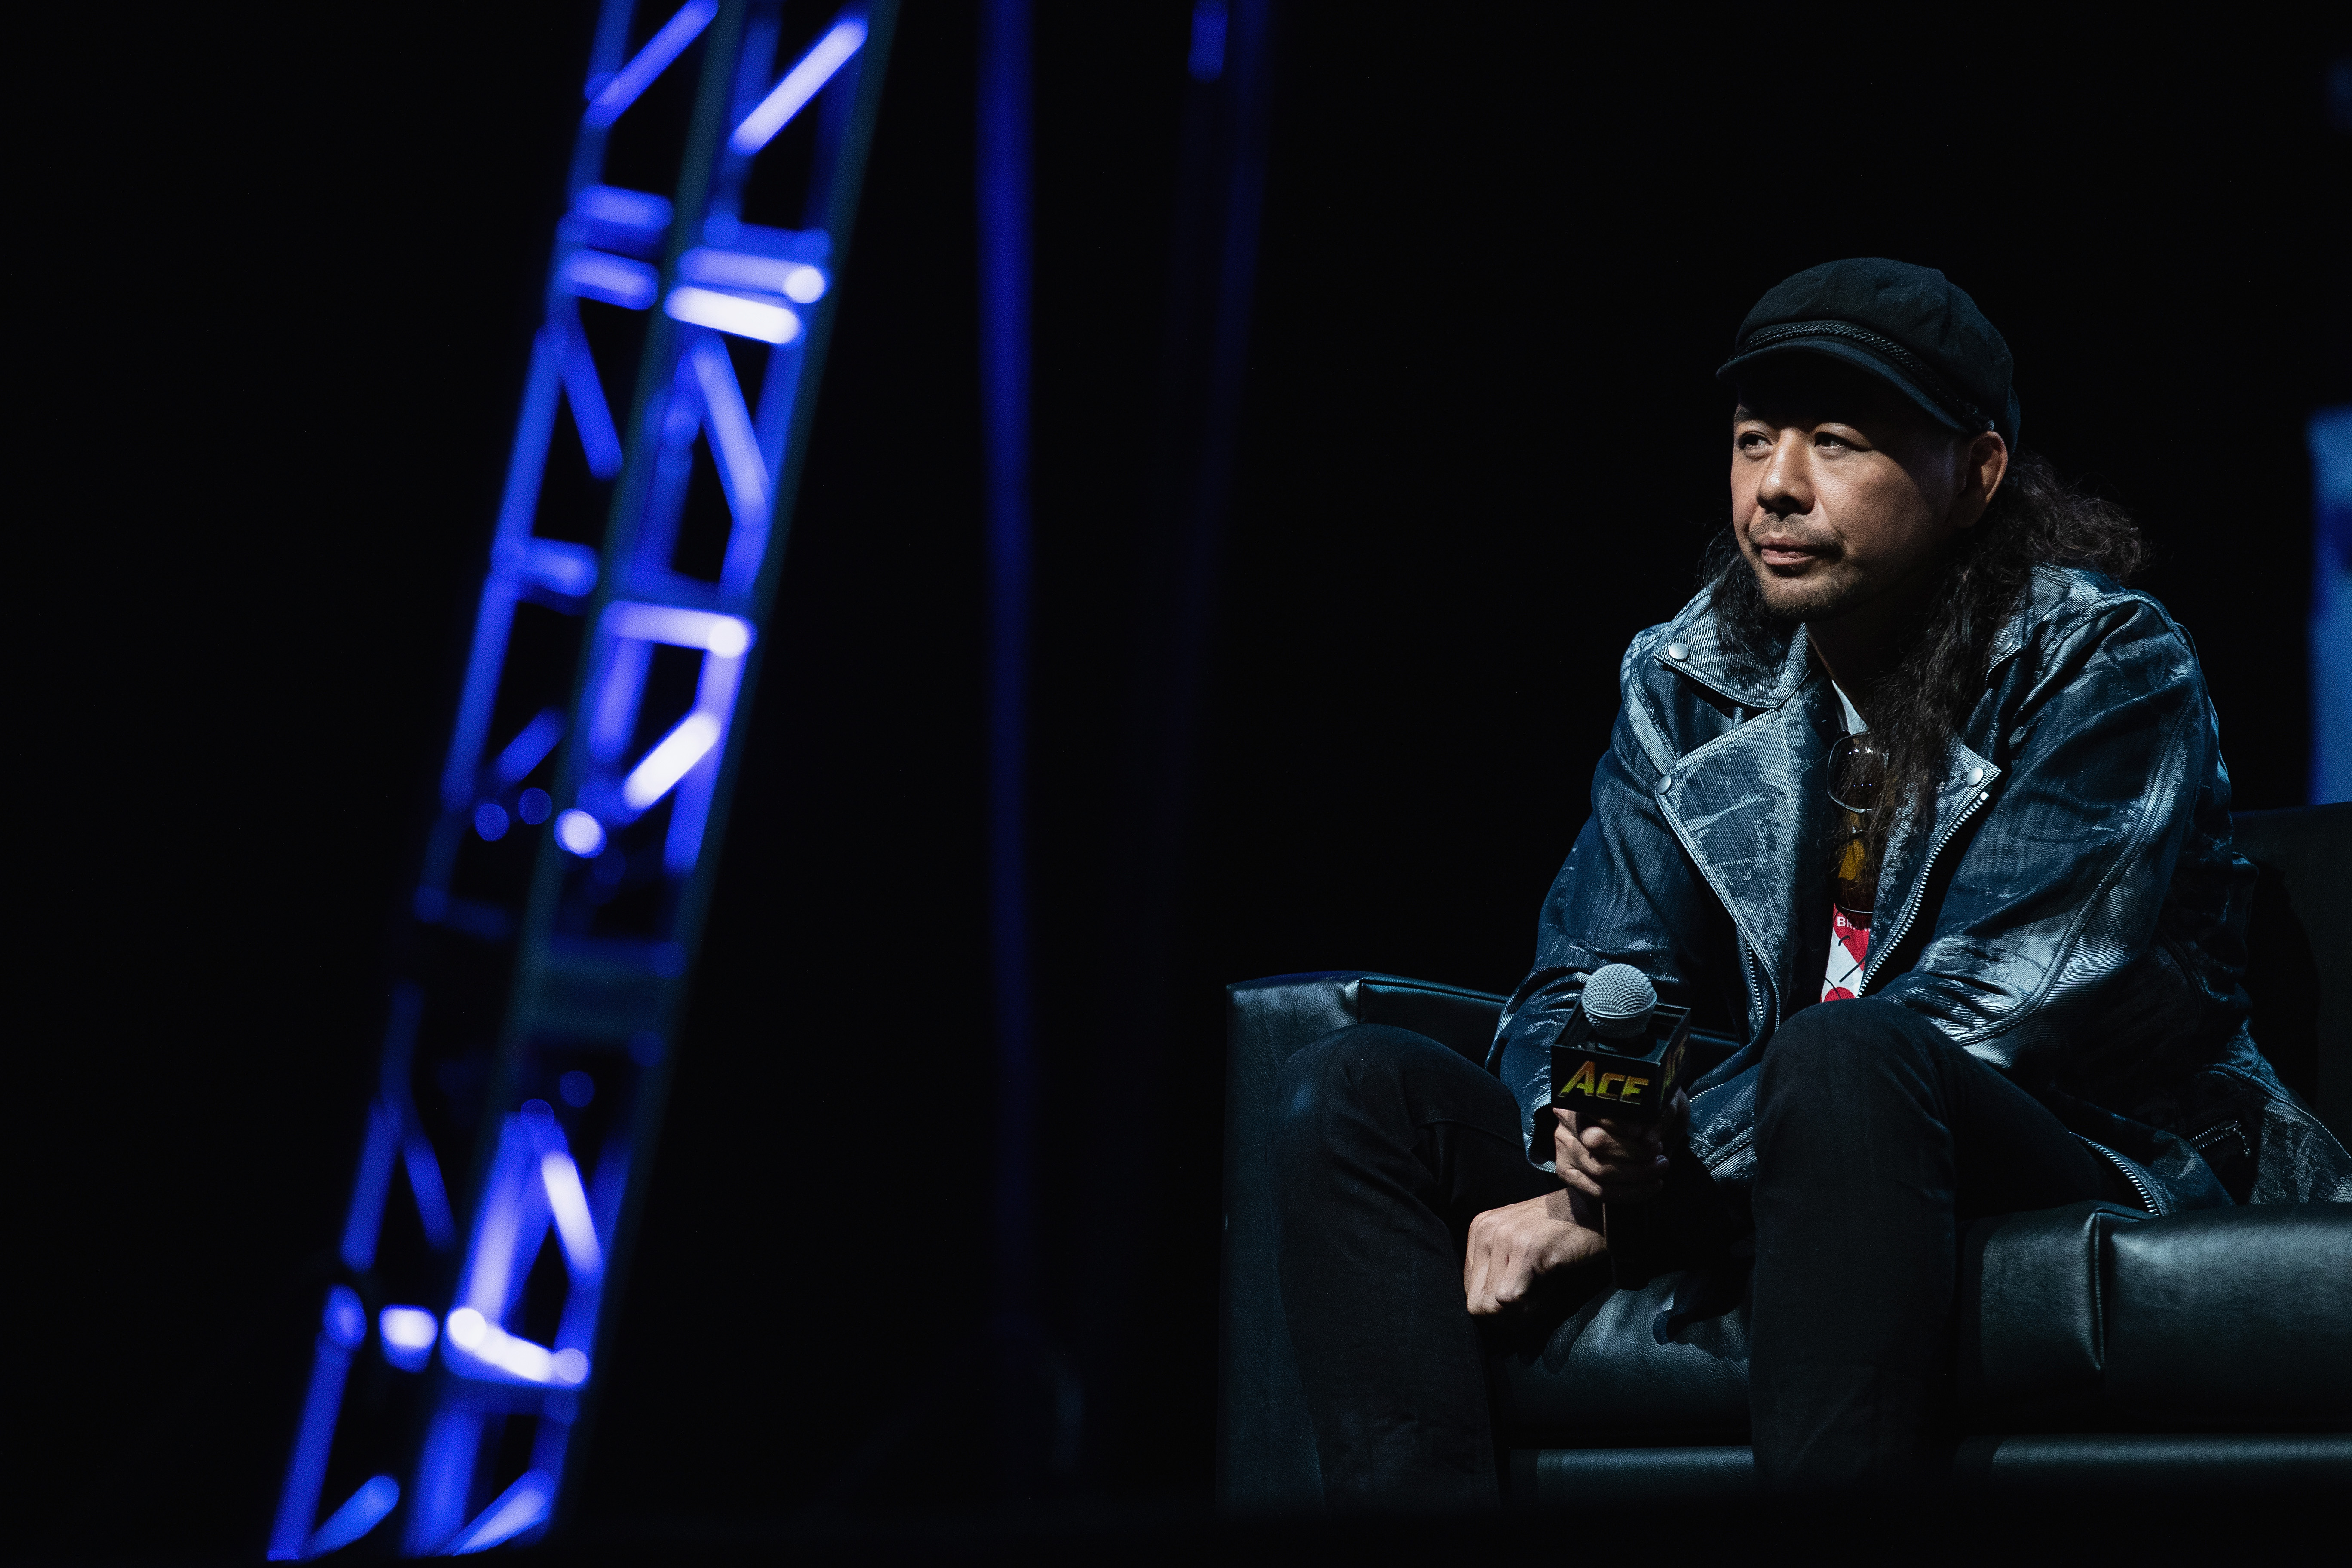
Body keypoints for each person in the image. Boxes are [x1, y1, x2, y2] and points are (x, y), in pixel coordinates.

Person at [1269, 257, 2352, 1506]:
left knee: (1844, 1056)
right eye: (1751, 442)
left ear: (1976, 475)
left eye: (1835, 442)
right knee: (1350, 1098)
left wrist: (1638, 1197)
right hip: (1786, 1143)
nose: (1775, 487)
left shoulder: (2102, 662)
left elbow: (2001, 1009)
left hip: (2082, 1144)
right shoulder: (1688, 676)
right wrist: (1590, 1143)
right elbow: (1595, 972)